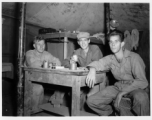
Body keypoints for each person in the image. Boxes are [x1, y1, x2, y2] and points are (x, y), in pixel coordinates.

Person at [85, 30, 149, 116]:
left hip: (134, 87)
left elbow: (142, 81)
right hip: (118, 86)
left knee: (141, 97)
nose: (113, 44)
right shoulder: (110, 58)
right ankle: (111, 113)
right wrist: (92, 70)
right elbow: (98, 63)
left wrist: (121, 93)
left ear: (122, 44)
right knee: (91, 101)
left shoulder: (134, 58)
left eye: (116, 41)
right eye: (110, 42)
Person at [62, 32, 106, 110]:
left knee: (90, 97)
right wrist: (71, 63)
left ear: (89, 41)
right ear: (78, 42)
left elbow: (96, 64)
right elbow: (65, 62)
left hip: (98, 78)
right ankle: (79, 114)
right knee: (75, 94)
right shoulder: (77, 52)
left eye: (85, 40)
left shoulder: (95, 49)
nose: (83, 43)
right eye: (80, 41)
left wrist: (87, 68)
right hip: (85, 79)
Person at [24, 36, 61, 112]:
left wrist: (50, 63)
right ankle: (33, 111)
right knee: (38, 88)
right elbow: (33, 64)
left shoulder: (46, 54)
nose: (41, 47)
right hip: (30, 80)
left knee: (61, 86)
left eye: (43, 44)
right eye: (39, 44)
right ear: (34, 46)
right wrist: (47, 64)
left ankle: (55, 104)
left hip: (43, 79)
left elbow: (58, 62)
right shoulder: (29, 53)